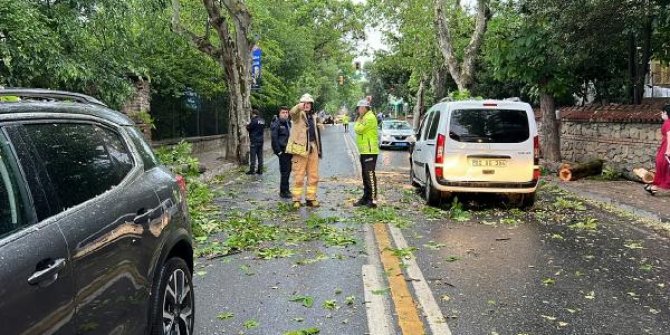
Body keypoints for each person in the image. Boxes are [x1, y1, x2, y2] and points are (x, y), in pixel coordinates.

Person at [285, 93, 322, 208]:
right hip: (300, 150)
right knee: (299, 176)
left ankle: (311, 198)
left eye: (309, 103)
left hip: (313, 148)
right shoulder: (298, 116)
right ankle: (296, 200)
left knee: (313, 175)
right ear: (301, 104)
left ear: (312, 105)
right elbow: (292, 113)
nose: (307, 105)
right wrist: (298, 106)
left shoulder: (314, 116)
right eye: (304, 103)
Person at [353, 98, 379, 208]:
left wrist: (359, 120)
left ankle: (372, 200)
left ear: (363, 108)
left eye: (359, 108)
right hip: (364, 151)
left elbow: (358, 129)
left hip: (370, 151)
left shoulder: (370, 117)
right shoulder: (365, 117)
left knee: (369, 175)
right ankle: (366, 197)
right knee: (365, 175)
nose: (358, 111)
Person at [645, 104, 670, 195]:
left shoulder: (668, 123)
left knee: (661, 165)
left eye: (662, 112)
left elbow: (669, 136)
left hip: (666, 147)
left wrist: (668, 150)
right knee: (664, 167)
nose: (661, 114)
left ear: (666, 112)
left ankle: (654, 187)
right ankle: (654, 187)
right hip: (665, 146)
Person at [271, 107, 292, 198]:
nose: (285, 114)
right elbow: (274, 139)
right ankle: (283, 192)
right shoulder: (276, 124)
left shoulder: (288, 123)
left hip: (289, 151)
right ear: (279, 114)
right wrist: (278, 152)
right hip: (282, 151)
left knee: (288, 171)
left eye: (287, 112)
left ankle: (286, 189)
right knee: (284, 171)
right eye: (283, 112)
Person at [246, 109, 265, 175]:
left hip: (254, 140)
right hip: (261, 140)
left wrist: (247, 124)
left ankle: (252, 170)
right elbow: (262, 128)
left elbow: (248, 128)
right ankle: (260, 170)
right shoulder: (262, 120)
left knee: (253, 156)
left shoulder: (253, 120)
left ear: (253, 114)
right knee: (260, 156)